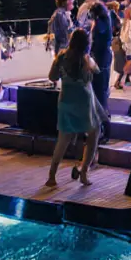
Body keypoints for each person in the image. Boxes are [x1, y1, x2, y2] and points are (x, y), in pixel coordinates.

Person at [46, 29, 106, 187]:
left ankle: (51, 176)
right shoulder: (87, 60)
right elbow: (98, 71)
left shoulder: (61, 57)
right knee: (94, 133)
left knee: (63, 139)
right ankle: (84, 171)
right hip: (85, 102)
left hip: (66, 101)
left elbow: (52, 77)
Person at [89, 0, 114, 117]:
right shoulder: (106, 19)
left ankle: (102, 111)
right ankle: (103, 110)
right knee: (102, 84)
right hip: (104, 54)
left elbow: (96, 39)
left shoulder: (100, 22)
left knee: (100, 84)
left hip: (101, 55)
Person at [109, 0, 127, 90]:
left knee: (121, 61)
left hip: (116, 41)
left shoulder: (110, 16)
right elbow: (117, 27)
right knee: (122, 62)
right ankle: (118, 81)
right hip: (118, 41)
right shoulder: (113, 16)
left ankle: (120, 81)